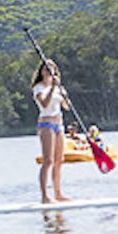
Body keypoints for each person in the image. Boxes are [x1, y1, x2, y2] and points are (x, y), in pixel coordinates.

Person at [33, 61, 73, 203]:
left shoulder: (58, 88)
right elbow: (44, 104)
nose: (49, 71)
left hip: (59, 124)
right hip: (46, 124)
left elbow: (66, 107)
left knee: (59, 160)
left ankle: (58, 194)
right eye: (46, 68)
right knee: (48, 161)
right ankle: (44, 196)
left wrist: (64, 95)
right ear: (42, 71)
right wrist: (53, 88)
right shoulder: (38, 88)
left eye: (51, 69)